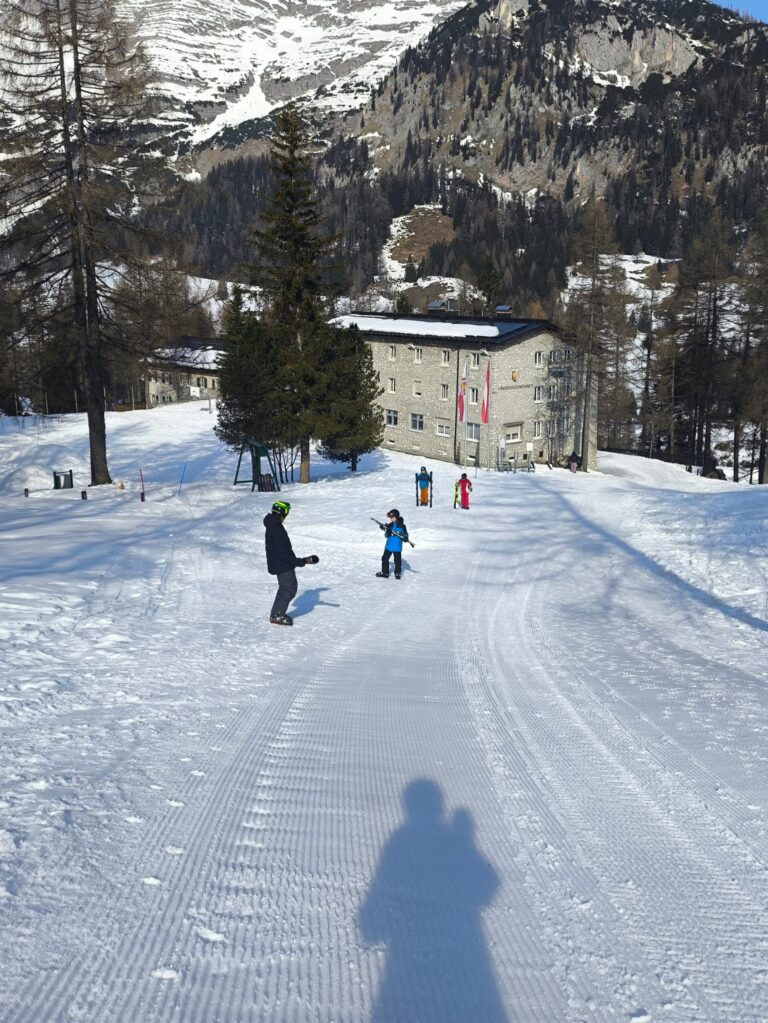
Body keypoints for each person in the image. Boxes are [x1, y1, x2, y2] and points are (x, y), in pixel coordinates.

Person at [263, 500, 319, 626]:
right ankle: (277, 615)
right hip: (282, 564)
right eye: (286, 512)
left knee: (286, 588)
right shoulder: (276, 528)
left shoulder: (273, 524)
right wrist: (300, 561)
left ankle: (276, 613)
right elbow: (283, 551)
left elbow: (283, 549)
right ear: (282, 512)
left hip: (279, 562)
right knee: (288, 589)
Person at [376, 508, 408, 579]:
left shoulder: (402, 526)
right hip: (389, 546)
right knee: (384, 559)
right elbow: (386, 536)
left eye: (392, 518)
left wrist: (405, 538)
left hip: (397, 547)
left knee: (397, 561)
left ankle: (397, 573)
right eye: (391, 518)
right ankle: (385, 573)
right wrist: (387, 531)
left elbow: (405, 536)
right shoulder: (390, 525)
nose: (391, 519)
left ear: (396, 517)